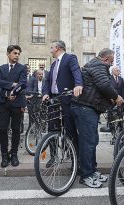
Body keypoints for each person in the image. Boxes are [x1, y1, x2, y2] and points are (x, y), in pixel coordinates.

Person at [71, 48, 124, 188]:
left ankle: (92, 170)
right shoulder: (99, 65)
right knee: (88, 142)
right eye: (111, 62)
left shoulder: (94, 64)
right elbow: (104, 84)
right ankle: (86, 175)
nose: (111, 65)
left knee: (92, 141)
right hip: (85, 107)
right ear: (106, 59)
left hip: (89, 107)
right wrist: (116, 96)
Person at [42, 40, 83, 168]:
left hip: (67, 100)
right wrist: (45, 93)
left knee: (70, 130)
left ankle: (74, 160)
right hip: (54, 100)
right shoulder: (53, 64)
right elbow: (48, 81)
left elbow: (76, 71)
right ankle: (53, 157)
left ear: (58, 48)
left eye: (51, 47)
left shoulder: (70, 58)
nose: (50, 50)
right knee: (52, 129)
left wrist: (79, 84)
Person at [0, 45, 27, 168]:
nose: (17, 55)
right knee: (2, 128)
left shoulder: (22, 68)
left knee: (16, 129)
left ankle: (14, 154)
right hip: (4, 103)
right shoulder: (2, 68)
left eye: (18, 53)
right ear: (8, 54)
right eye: (14, 53)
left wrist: (14, 92)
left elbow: (23, 83)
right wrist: (12, 85)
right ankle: (4, 155)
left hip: (17, 103)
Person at [100, 65, 124, 132]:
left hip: (119, 100)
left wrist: (122, 99)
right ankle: (110, 127)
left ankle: (120, 127)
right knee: (110, 113)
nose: (119, 72)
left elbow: (122, 90)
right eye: (117, 70)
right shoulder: (108, 78)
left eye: (119, 70)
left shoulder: (121, 79)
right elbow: (107, 89)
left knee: (119, 113)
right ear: (113, 71)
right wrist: (110, 98)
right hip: (111, 100)